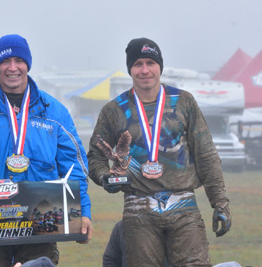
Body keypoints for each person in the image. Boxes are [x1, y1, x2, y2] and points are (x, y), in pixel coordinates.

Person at [0, 34, 93, 266]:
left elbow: (73, 166)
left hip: (42, 225)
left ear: (28, 64)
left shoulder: (54, 112)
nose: (12, 68)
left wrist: (83, 211)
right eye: (5, 61)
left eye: (19, 60)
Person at [87, 37, 231, 266]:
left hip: (184, 207)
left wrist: (220, 203)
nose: (145, 70)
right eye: (138, 64)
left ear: (160, 67)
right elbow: (95, 156)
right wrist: (105, 177)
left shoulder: (184, 102)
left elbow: (206, 155)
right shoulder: (114, 110)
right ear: (130, 69)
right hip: (138, 209)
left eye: (150, 63)